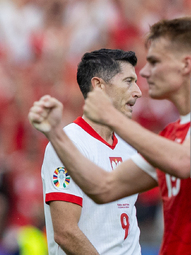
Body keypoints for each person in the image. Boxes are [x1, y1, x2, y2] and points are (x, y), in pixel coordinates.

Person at [29, 17, 191, 255]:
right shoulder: (168, 137)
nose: (146, 76)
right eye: (130, 79)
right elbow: (104, 187)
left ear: (185, 65)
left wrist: (112, 117)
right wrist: (56, 135)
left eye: (154, 62)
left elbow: (183, 162)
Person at [38, 49, 143, 255]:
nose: (138, 91)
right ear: (99, 86)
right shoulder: (69, 144)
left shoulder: (129, 144)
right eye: (129, 81)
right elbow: (65, 232)